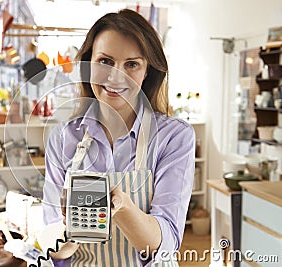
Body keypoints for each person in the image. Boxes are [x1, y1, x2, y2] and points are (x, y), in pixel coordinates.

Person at [42, 8, 195, 267]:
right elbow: (50, 240)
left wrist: (121, 206)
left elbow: (166, 242)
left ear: (147, 71)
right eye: (105, 61)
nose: (115, 76)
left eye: (132, 64)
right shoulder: (63, 138)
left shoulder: (174, 137)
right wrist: (71, 229)